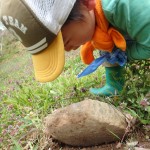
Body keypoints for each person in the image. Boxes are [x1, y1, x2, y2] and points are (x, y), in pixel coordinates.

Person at [1, 0, 150, 96]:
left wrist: (125, 53)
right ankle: (114, 83)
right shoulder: (92, 22)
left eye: (65, 41)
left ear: (86, 3)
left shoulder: (123, 5)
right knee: (103, 42)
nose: (66, 50)